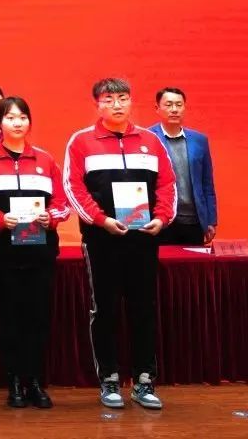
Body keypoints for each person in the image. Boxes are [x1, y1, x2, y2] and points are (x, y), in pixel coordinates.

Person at [64, 78, 176, 410]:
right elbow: (73, 187)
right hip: (102, 239)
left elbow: (167, 184)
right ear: (97, 104)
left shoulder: (151, 141)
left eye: (123, 98)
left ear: (131, 102)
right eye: (109, 99)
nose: (117, 104)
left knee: (144, 308)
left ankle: (144, 380)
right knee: (105, 309)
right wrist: (101, 220)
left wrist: (162, 218)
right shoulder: (81, 141)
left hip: (143, 238)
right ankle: (109, 378)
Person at [0, 97, 69, 409]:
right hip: (2, 255)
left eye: (22, 117)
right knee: (9, 319)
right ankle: (13, 381)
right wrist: (0, 220)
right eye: (10, 117)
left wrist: (51, 217)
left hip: (40, 254)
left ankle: (35, 382)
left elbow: (63, 204)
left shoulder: (45, 160)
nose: (17, 123)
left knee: (38, 318)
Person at [148, 87, 217, 246]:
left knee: (193, 261)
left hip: (194, 221)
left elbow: (207, 183)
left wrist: (211, 220)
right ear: (157, 108)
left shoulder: (199, 140)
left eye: (179, 105)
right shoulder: (148, 138)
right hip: (160, 220)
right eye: (169, 105)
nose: (174, 109)